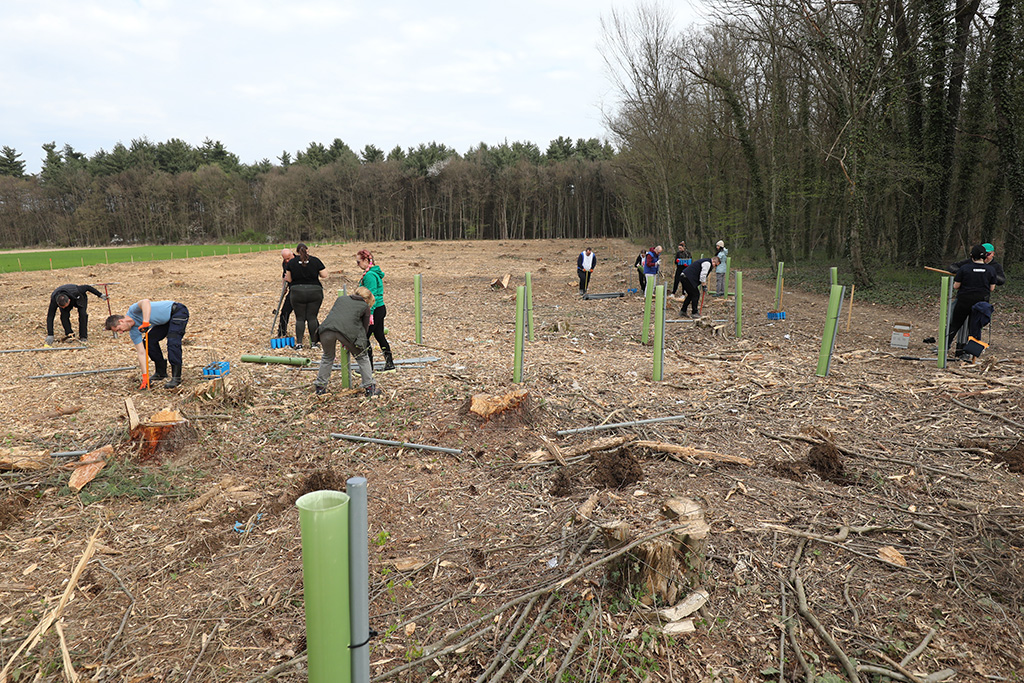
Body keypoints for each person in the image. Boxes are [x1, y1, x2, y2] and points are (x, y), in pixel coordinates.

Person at [104, 299, 190, 389]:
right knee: (148, 341)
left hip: (177, 311)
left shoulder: (133, 310)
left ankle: (176, 378)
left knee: (173, 341)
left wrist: (145, 322)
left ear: (121, 321)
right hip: (164, 322)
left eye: (119, 329)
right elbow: (141, 353)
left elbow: (145, 302)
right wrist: (145, 377)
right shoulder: (134, 332)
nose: (121, 332)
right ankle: (161, 372)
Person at [312, 286, 381, 397]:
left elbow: (338, 316)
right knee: (362, 357)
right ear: (367, 299)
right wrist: (356, 344)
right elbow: (364, 329)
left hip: (325, 330)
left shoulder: (341, 299)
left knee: (327, 357)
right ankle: (370, 387)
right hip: (345, 333)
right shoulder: (365, 307)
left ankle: (320, 387)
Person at [946, 245, 996, 353]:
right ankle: (971, 353)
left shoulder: (965, 268)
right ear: (985, 256)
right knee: (975, 329)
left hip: (964, 301)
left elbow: (956, 286)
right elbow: (992, 288)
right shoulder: (991, 270)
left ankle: (944, 348)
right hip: (981, 303)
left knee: (955, 324)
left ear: (972, 256)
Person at [356, 249, 396, 372]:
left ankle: (369, 368)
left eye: (358, 262)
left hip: (375, 310)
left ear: (366, 260)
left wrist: (370, 313)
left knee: (364, 338)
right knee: (379, 335)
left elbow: (371, 296)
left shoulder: (369, 275)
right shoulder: (373, 273)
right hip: (380, 308)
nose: (357, 265)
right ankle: (390, 364)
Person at [284, 243, 326, 349]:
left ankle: (299, 344)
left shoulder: (292, 262)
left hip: (297, 292)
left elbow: (289, 279)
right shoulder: (316, 260)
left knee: (300, 318)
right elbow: (325, 275)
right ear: (307, 250)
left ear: (297, 252)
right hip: (315, 291)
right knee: (312, 317)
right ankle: (314, 343)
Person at [276, 248, 294, 338]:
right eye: (285, 259)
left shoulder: (298, 260)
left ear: (292, 255)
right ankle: (282, 333)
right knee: (284, 312)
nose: (287, 261)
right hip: (292, 290)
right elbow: (284, 275)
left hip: (299, 289)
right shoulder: (285, 264)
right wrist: (284, 287)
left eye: (288, 258)